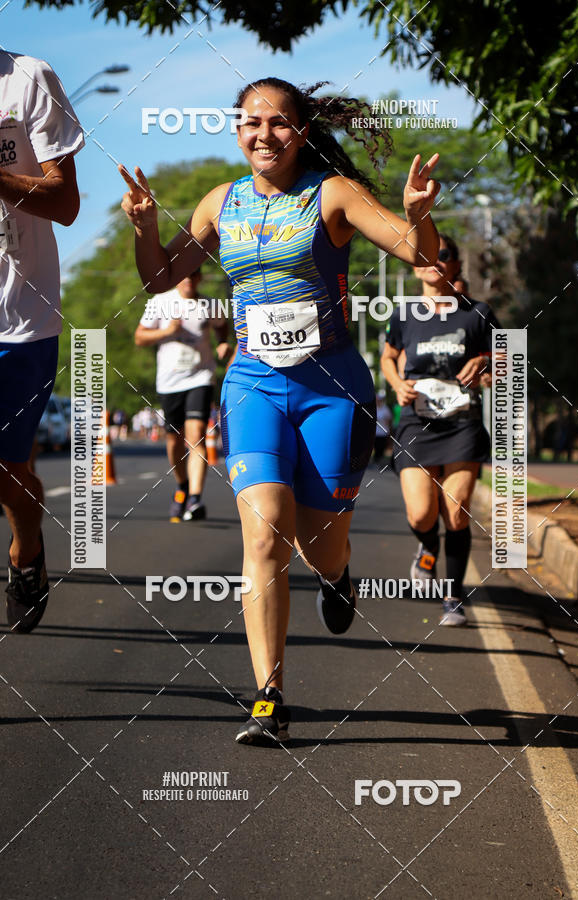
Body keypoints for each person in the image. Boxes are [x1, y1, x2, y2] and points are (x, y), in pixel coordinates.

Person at [120, 76, 440, 743]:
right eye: (250, 122)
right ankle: (268, 697)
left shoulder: (332, 194)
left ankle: (340, 575)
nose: (263, 133)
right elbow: (158, 281)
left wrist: (418, 212)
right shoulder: (221, 201)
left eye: (279, 123)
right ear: (237, 129)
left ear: (301, 130)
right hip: (252, 385)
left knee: (321, 548)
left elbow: (418, 254)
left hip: (331, 390)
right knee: (265, 533)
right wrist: (146, 230)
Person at [0, 50, 83, 633]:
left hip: (18, 317)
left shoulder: (28, 78)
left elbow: (65, 202)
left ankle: (26, 549)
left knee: (7, 466)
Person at [381, 235, 500, 626]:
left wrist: (484, 362)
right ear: (414, 265)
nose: (433, 262)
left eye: (442, 255)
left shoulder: (477, 312)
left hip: (462, 424)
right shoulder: (404, 313)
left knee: (458, 513)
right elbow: (389, 357)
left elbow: (507, 362)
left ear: (454, 265)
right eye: (425, 256)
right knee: (420, 515)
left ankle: (453, 596)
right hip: (417, 423)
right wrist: (398, 384)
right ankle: (427, 548)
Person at [135, 269, 231, 521]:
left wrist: (223, 342)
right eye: (183, 274)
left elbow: (222, 327)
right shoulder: (160, 302)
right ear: (176, 278)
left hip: (200, 377)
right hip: (169, 382)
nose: (188, 278)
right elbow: (140, 337)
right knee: (174, 442)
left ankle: (195, 500)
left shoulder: (210, 304)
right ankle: (183, 485)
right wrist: (166, 333)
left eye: (194, 274)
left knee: (196, 435)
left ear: (200, 277)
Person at [374, 391, 392, 461]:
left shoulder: (385, 408)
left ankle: (380, 460)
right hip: (375, 432)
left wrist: (389, 431)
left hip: (383, 432)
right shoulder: (374, 408)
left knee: (382, 446)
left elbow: (389, 420)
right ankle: (376, 460)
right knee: (376, 447)